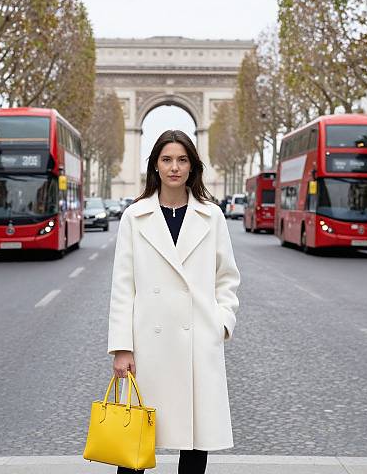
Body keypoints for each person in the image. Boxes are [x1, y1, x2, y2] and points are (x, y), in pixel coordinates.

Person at [108, 130, 240, 474]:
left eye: (182, 160)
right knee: (135, 441)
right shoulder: (133, 217)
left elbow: (227, 277)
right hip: (148, 346)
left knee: (196, 441)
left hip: (198, 340)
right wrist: (122, 348)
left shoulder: (212, 217)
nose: (174, 167)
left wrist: (221, 322)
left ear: (193, 167)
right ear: (154, 166)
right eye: (166, 159)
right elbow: (123, 287)